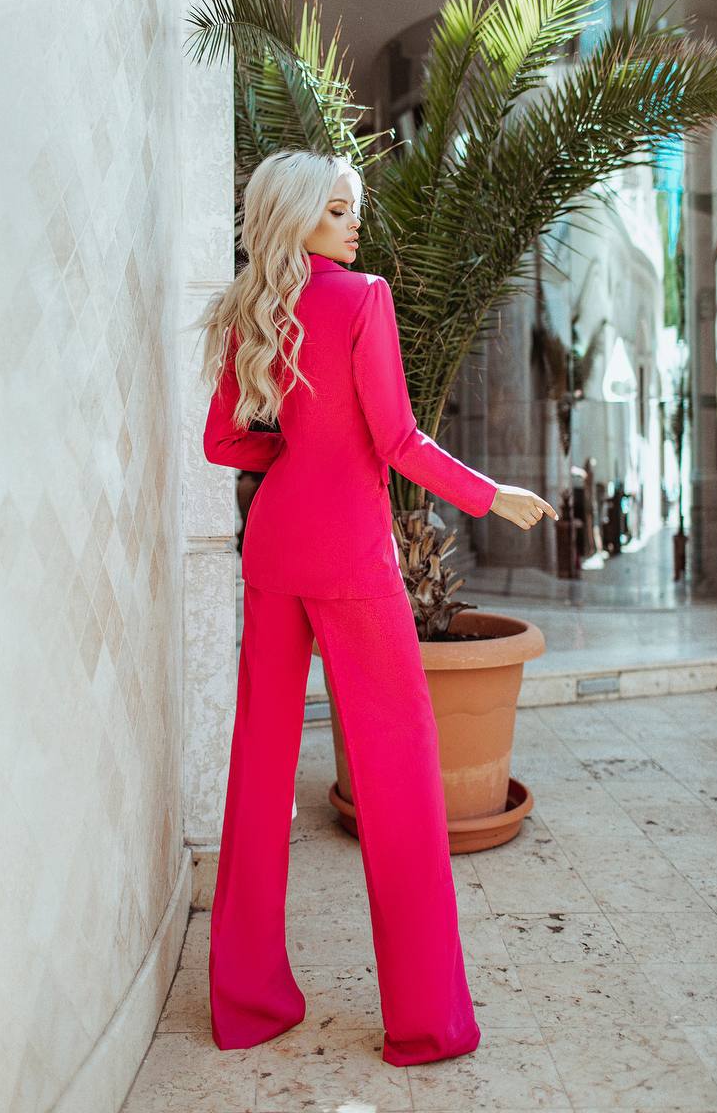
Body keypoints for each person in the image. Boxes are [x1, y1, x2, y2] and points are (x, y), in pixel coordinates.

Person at [196, 148, 556, 1067]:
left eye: (354, 208)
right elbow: (396, 437)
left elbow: (223, 441)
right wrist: (489, 494)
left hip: (274, 553)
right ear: (299, 217)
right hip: (354, 559)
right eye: (338, 210)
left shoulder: (255, 309)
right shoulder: (364, 301)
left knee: (259, 769)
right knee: (400, 778)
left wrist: (294, 462)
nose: (355, 223)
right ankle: (425, 1021)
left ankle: (246, 1002)